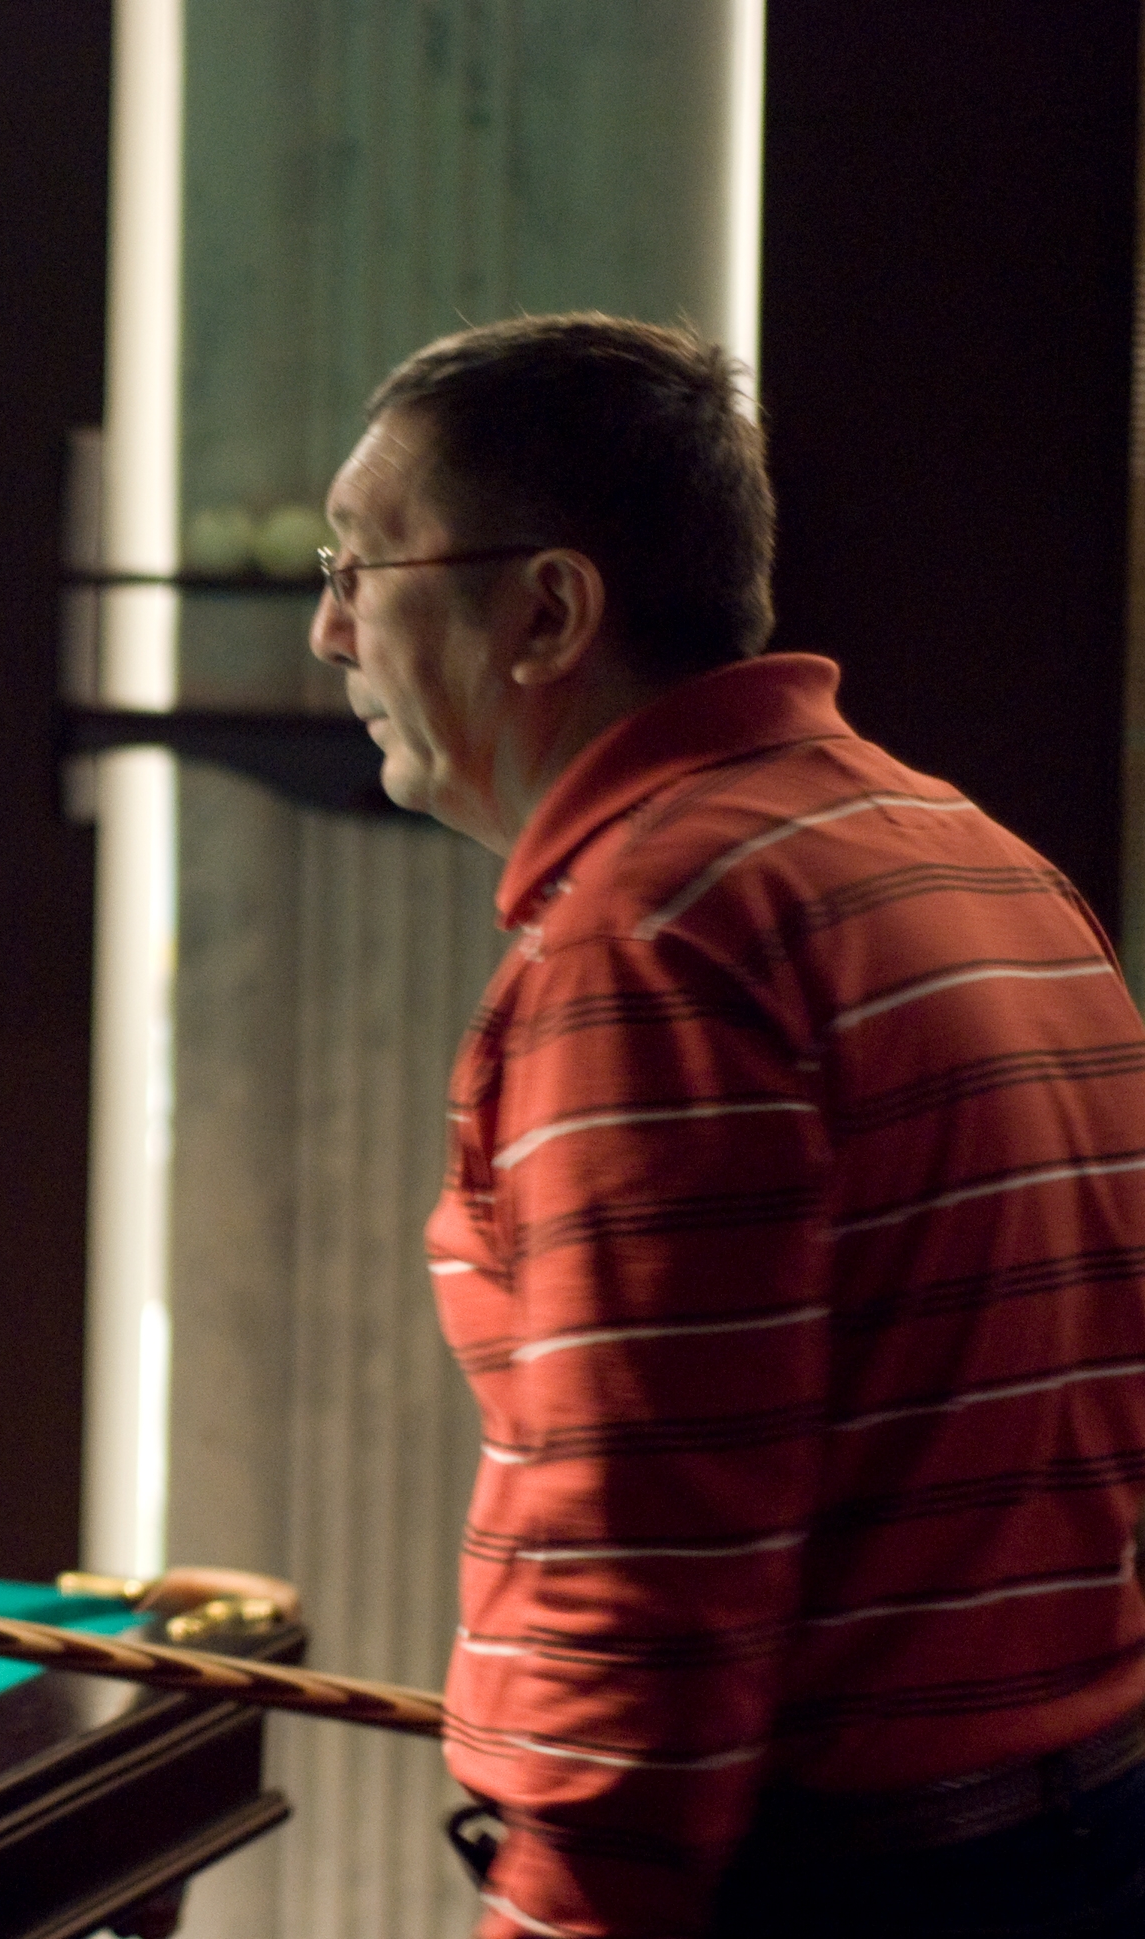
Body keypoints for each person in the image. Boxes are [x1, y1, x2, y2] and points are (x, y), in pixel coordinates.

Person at [306, 313, 1145, 1938]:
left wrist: (559, 1915)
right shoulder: (970, 850)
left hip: (858, 1888)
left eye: (363, 565)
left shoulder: (657, 934)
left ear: (549, 612)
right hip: (1082, 1834)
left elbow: (645, 1571)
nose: (331, 630)